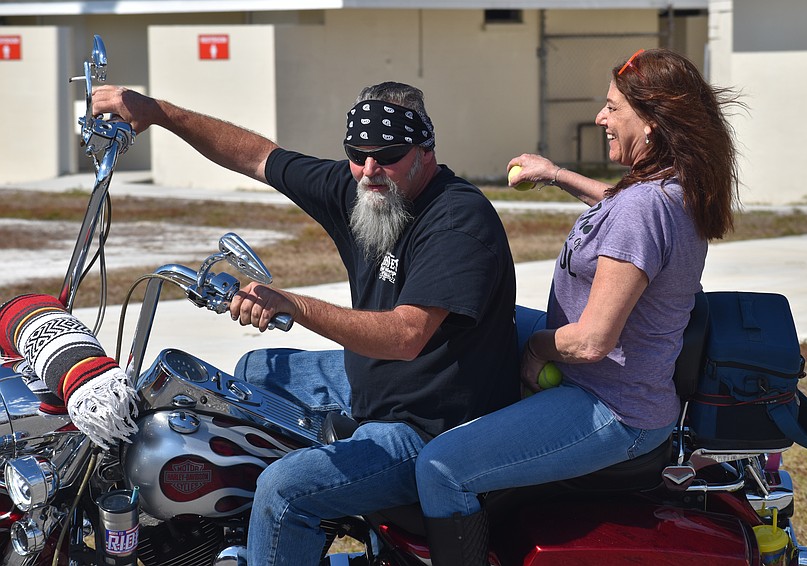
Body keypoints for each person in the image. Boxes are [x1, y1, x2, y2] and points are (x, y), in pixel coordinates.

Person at [92, 81, 519, 565]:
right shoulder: (361, 188)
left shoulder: (458, 220)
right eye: (357, 154)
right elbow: (258, 157)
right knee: (253, 376)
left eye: (388, 155)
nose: (370, 171)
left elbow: (405, 336)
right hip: (372, 382)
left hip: (430, 427)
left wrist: (294, 305)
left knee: (283, 490)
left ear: (425, 150)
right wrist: (160, 112)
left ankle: (290, 522)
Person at [414, 48, 741, 565]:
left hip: (613, 409)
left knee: (440, 468)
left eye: (613, 108)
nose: (600, 118)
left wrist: (540, 350)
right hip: (619, 389)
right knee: (479, 326)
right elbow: (617, 204)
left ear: (651, 124)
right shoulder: (667, 187)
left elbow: (590, 341)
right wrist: (555, 173)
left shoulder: (645, 207)